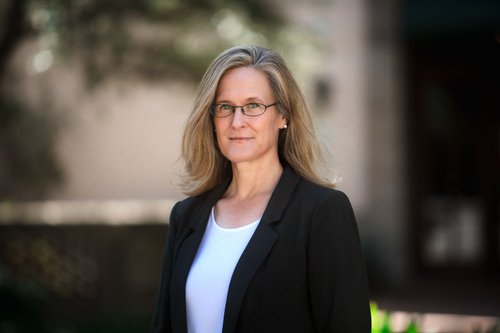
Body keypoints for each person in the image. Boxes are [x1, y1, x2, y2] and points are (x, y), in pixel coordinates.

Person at [151, 45, 371, 333]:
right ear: (212, 119)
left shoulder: (321, 212)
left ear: (283, 116)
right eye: (225, 107)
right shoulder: (186, 215)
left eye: (253, 105)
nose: (237, 121)